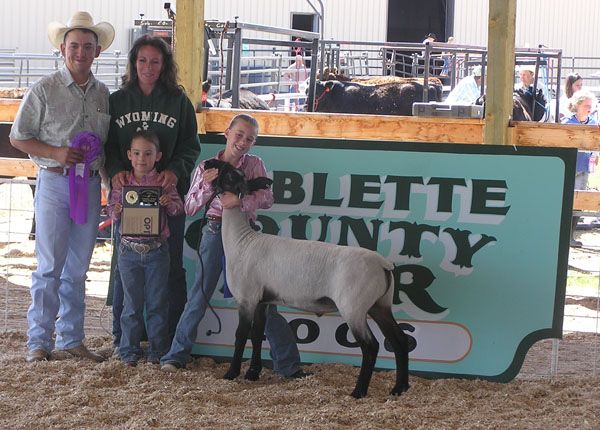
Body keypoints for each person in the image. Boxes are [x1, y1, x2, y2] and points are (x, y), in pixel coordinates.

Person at [160, 114, 309, 379]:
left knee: (262, 301)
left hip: (246, 236)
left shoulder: (255, 164)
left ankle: (288, 364)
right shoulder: (206, 166)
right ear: (227, 133)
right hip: (215, 230)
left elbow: (267, 198)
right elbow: (191, 207)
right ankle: (176, 356)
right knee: (199, 295)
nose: (243, 142)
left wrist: (239, 201)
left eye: (250, 138)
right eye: (239, 134)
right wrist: (207, 187)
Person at [9, 11, 115, 363]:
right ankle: (39, 341)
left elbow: (104, 145)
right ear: (62, 49)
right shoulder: (44, 90)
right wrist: (55, 152)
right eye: (74, 46)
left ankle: (72, 339)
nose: (80, 52)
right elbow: (18, 137)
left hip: (88, 185)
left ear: (97, 52)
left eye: (87, 46)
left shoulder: (103, 94)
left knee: (79, 267)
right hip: (55, 183)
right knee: (49, 265)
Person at [104, 35, 201, 355]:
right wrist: (116, 167)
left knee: (170, 266)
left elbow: (191, 145)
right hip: (128, 196)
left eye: (155, 61)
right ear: (133, 63)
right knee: (125, 267)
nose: (148, 67)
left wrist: (176, 169)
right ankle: (123, 339)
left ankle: (170, 339)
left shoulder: (178, 102)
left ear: (165, 66)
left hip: (166, 197)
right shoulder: (117, 101)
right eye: (142, 60)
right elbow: (106, 144)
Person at [107, 130, 184, 366]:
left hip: (157, 250)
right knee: (131, 305)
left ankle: (157, 351)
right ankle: (128, 351)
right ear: (129, 155)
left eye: (148, 154)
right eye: (137, 153)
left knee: (157, 303)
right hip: (129, 250)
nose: (142, 159)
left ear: (158, 156)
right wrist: (116, 211)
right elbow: (110, 208)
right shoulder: (121, 182)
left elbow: (179, 209)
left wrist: (169, 203)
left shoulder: (165, 182)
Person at [562, 89, 598, 247]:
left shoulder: (593, 123)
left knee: (579, 202)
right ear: (577, 105)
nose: (589, 108)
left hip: (584, 167)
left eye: (590, 105)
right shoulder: (567, 123)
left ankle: (570, 236)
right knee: (565, 201)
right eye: (586, 105)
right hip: (568, 167)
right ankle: (562, 236)